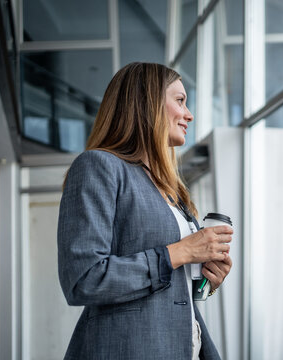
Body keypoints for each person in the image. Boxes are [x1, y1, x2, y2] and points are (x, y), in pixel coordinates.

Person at [57, 62, 233, 360]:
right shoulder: (98, 166)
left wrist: (207, 281)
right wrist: (180, 252)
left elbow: (166, 291)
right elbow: (84, 279)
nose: (188, 114)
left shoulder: (171, 188)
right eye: (179, 101)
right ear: (147, 104)